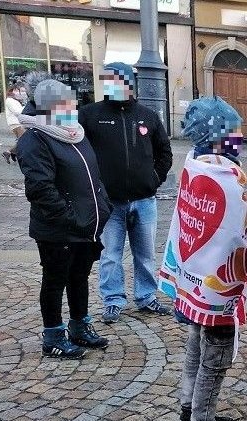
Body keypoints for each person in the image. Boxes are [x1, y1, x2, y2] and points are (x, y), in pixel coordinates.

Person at [162, 97, 247, 421]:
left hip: (193, 280)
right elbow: (240, 235)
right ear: (218, 135)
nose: (239, 138)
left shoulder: (194, 164)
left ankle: (188, 414)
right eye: (234, 132)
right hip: (217, 288)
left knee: (194, 348)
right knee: (215, 360)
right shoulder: (227, 176)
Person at [15, 79, 112, 359]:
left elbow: (93, 175)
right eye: (64, 103)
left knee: (79, 278)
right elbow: (40, 188)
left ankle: (80, 326)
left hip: (85, 225)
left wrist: (101, 207)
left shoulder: (74, 133)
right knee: (55, 280)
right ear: (48, 107)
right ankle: (53, 335)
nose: (72, 107)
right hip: (58, 229)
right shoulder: (35, 138)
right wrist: (70, 217)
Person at [79, 62, 173, 323]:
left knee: (145, 254)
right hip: (109, 202)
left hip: (144, 200)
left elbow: (164, 153)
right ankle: (113, 300)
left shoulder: (148, 115)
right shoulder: (89, 115)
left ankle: (146, 297)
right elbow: (75, 148)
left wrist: (154, 179)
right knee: (110, 255)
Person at [3, 81, 28, 163]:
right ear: (13, 91)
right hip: (16, 123)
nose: (22, 93)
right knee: (24, 140)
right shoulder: (10, 100)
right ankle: (9, 152)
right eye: (20, 91)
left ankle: (12, 153)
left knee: (22, 140)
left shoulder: (15, 100)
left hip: (18, 123)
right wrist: (26, 109)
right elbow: (18, 112)